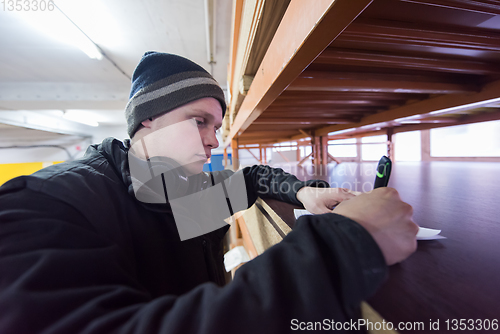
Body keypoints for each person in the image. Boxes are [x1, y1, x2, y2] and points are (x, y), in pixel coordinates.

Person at [0, 52, 418, 333]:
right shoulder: (50, 204)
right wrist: (346, 246)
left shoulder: (177, 195)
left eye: (216, 127)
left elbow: (252, 179)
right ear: (148, 118)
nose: (214, 141)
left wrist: (304, 192)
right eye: (199, 120)